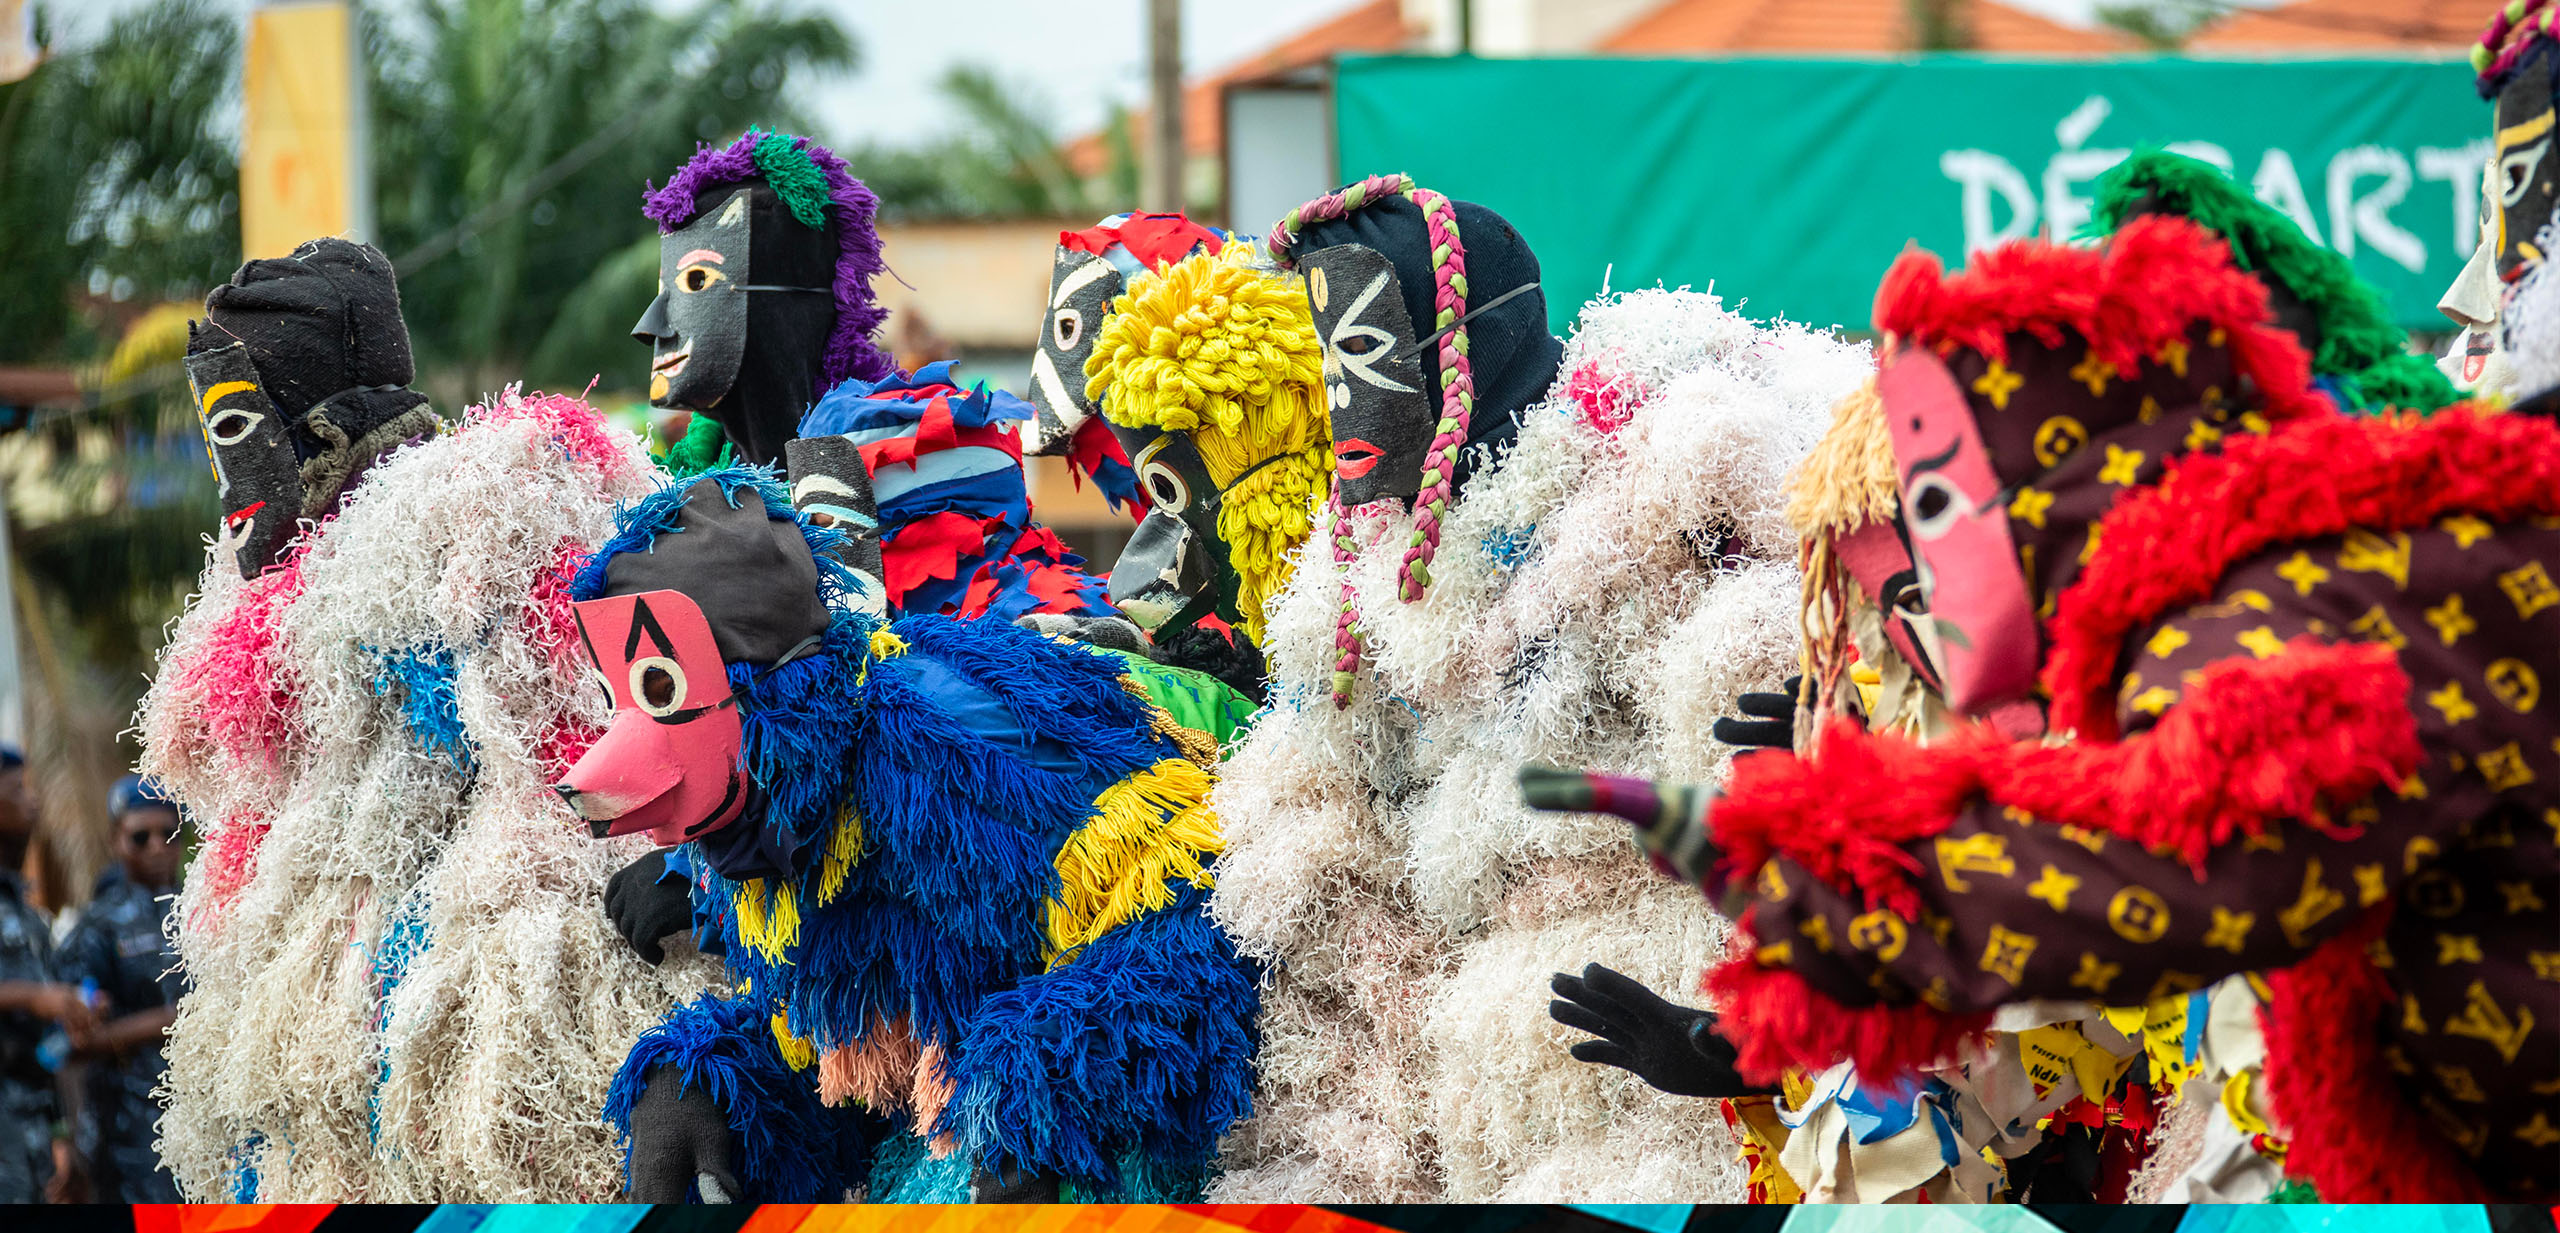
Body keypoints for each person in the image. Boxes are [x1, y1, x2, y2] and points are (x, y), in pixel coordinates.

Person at [58, 775, 186, 1202]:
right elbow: (68, 1043)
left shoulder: (202, 908)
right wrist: (163, 1024)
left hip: (202, 1122)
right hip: (132, 1134)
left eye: (169, 834)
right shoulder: (99, 926)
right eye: (140, 836)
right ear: (116, 839)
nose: (157, 847)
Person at [0, 745, 95, 1202]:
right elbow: (34, 999)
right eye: (17, 788)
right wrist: (31, 997)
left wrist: (65, 1134)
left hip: (33, 1126)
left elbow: (47, 1046)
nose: (32, 800)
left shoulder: (26, 909)